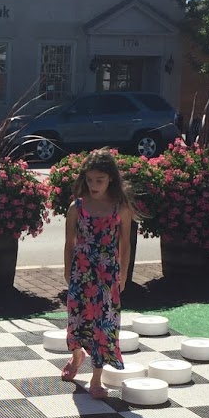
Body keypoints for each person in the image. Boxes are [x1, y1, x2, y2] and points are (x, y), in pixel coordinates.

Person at [61, 150, 134, 399]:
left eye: (99, 180)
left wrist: (123, 274)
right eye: (90, 179)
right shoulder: (77, 207)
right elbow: (69, 243)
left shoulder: (120, 208)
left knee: (103, 325)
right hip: (81, 273)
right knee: (78, 320)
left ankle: (96, 377)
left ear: (111, 178)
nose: (94, 185)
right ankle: (77, 356)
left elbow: (125, 244)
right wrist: (67, 271)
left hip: (107, 276)